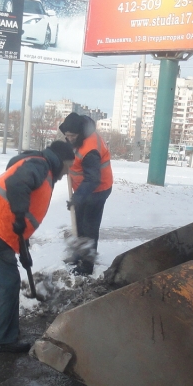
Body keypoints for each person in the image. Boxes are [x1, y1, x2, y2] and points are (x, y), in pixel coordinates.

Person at [0, 140, 75, 353]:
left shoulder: (40, 165)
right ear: (61, 161)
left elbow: (23, 216)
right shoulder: (41, 165)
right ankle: (3, 341)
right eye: (68, 167)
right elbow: (18, 184)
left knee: (2, 282)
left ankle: (1, 332)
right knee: (6, 283)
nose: (66, 173)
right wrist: (19, 215)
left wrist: (23, 249)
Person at [59, 112, 113, 276]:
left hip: (98, 190)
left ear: (80, 134)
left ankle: (87, 266)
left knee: (89, 227)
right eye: (66, 136)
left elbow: (93, 179)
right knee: (79, 223)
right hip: (83, 189)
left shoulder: (90, 149)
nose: (69, 139)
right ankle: (78, 255)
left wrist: (77, 198)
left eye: (72, 136)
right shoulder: (76, 138)